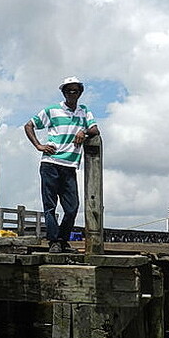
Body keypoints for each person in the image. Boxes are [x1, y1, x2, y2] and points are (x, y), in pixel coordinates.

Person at [24, 77, 100, 253]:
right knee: (50, 205)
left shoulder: (84, 111)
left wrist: (84, 131)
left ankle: (63, 239)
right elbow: (29, 125)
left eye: (75, 90)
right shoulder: (53, 110)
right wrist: (38, 145)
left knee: (72, 207)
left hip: (70, 166)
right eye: (68, 91)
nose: (71, 94)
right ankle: (54, 242)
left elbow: (95, 129)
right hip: (50, 163)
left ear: (80, 93)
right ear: (63, 93)